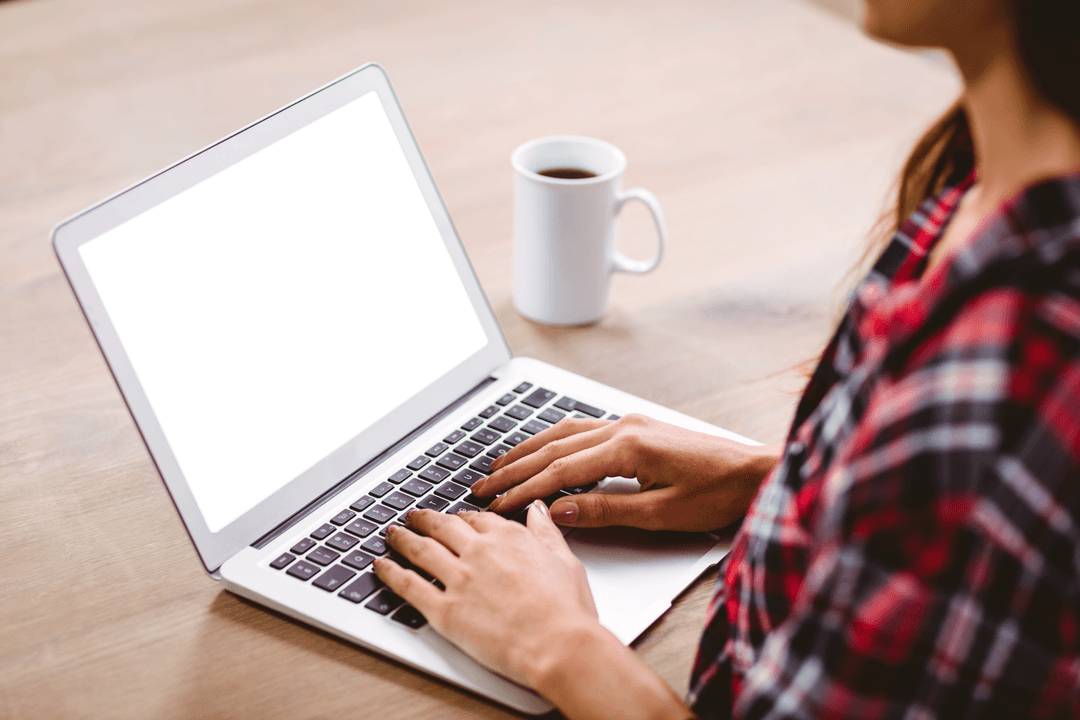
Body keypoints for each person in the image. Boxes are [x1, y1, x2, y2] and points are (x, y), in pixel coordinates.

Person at [372, 0, 1080, 717]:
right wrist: (778, 482)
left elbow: (971, 462)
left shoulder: (1010, 378)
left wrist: (557, 645)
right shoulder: (992, 190)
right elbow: (963, 516)